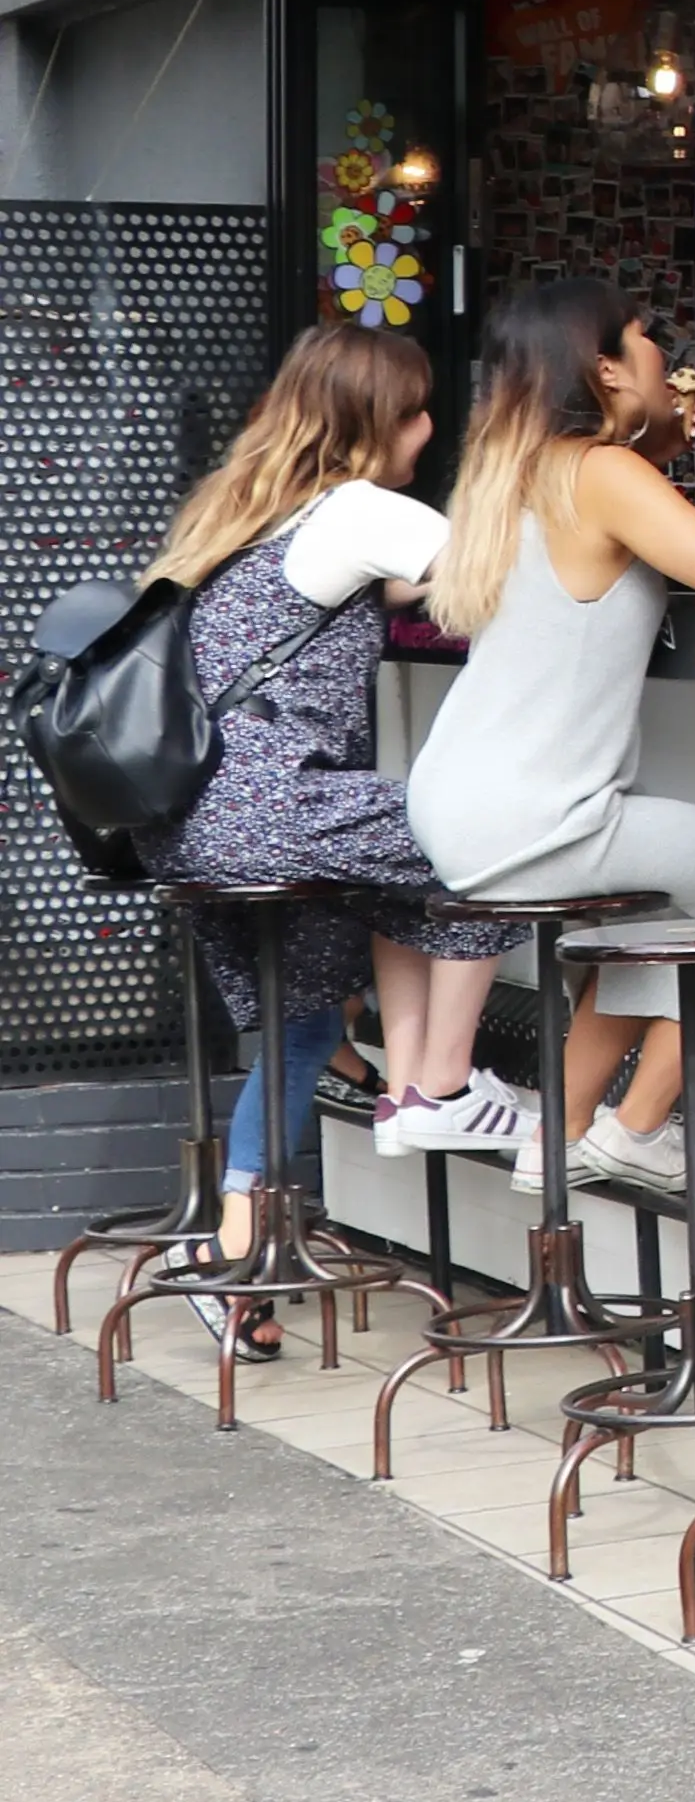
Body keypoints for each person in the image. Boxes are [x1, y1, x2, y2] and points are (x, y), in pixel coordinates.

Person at [135, 326, 536, 1345]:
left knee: (306, 1025)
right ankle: (432, 1084)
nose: (430, 427)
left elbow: (386, 588)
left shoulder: (236, 507)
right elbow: (503, 580)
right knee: (480, 830)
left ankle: (226, 1258)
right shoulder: (360, 510)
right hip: (273, 810)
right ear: (380, 422)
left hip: (187, 823)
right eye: (418, 409)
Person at [411, 278, 695, 1191]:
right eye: (645, 340)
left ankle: (553, 1134)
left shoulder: (516, 469)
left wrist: (659, 440)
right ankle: (636, 1130)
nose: (667, 359)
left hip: (460, 802)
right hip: (536, 815)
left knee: (665, 916)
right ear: (603, 365)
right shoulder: (599, 471)